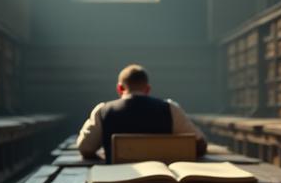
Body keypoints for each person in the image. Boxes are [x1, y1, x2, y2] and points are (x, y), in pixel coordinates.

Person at [77, 64, 208, 163]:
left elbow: (85, 148)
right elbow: (200, 145)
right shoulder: (170, 108)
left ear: (120, 88)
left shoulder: (103, 111)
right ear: (147, 89)